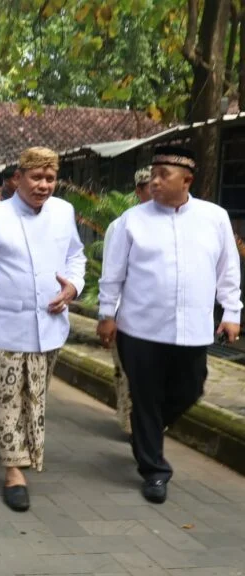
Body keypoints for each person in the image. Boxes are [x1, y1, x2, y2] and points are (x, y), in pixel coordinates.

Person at [97, 146, 242, 505]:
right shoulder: (130, 221)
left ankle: (146, 433)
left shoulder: (214, 218)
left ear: (187, 180)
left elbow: (227, 270)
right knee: (145, 398)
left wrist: (232, 313)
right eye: (153, 173)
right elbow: (111, 275)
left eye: (164, 174)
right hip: (139, 329)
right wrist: (106, 315)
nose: (154, 181)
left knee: (191, 388)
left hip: (191, 329)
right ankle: (155, 471)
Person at [0, 147, 85, 512]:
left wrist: (73, 286)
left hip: (51, 327)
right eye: (36, 177)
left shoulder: (64, 212)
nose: (43, 185)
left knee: (34, 396)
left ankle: (14, 444)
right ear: (18, 178)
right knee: (8, 397)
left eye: (50, 178)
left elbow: (76, 256)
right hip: (8, 325)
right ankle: (14, 471)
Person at [104, 166, 153, 436]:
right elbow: (112, 272)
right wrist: (109, 314)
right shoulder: (121, 224)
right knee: (126, 371)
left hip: (156, 317)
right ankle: (130, 420)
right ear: (138, 191)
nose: (155, 191)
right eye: (148, 187)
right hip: (126, 314)